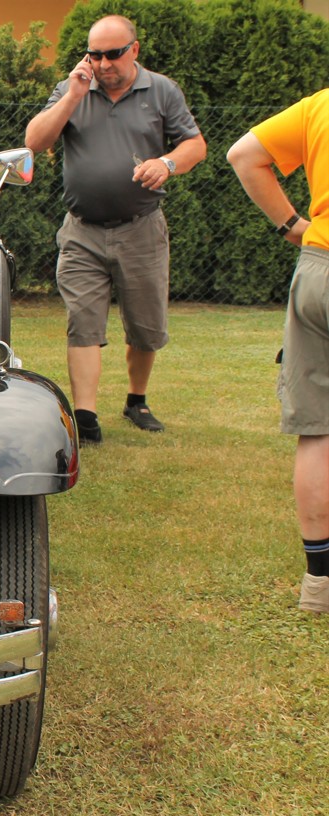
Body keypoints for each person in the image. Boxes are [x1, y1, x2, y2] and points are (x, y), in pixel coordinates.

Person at [25, 15, 206, 444]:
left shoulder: (161, 90)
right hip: (82, 230)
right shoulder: (72, 88)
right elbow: (34, 141)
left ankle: (136, 400)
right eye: (95, 55)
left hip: (141, 228)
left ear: (134, 50)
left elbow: (195, 145)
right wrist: (73, 96)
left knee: (145, 326)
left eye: (113, 54)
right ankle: (85, 417)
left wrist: (167, 163)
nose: (103, 64)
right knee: (83, 322)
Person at [227, 91, 329, 614]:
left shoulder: (321, 106)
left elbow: (243, 155)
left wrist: (292, 226)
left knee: (318, 429)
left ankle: (319, 586)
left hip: (318, 268)